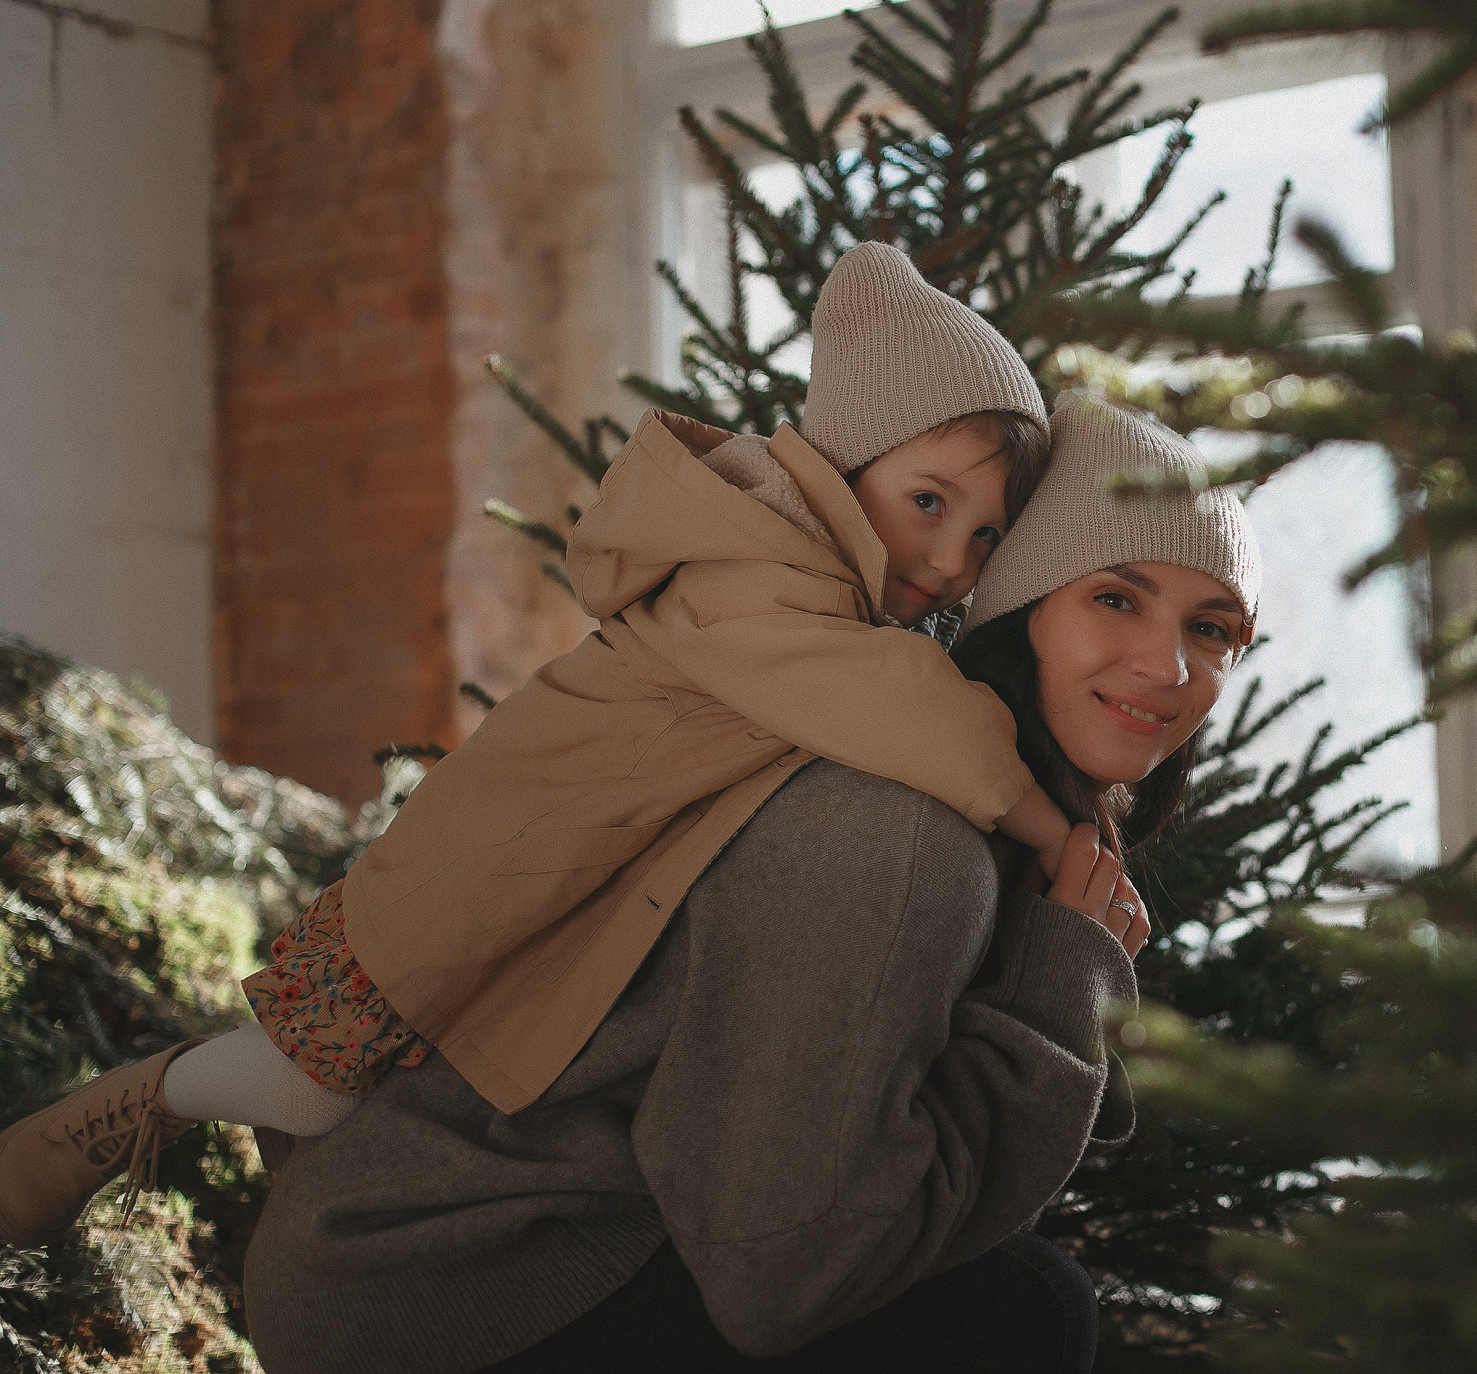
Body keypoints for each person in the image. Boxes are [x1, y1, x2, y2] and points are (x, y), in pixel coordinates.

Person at [0, 243, 1085, 1249]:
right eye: (928, 502)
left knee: (336, 1128)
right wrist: (1052, 830)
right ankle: (131, 1101)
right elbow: (905, 704)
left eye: (985, 532)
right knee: (312, 1095)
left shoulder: (800, 579)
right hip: (468, 881)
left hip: (526, 884)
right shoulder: (768, 585)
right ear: (841, 466)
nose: (951, 557)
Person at [238, 397, 1261, 1374]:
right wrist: (1057, 993)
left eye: (1211, 628)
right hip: (434, 1287)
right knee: (1020, 1310)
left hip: (543, 1247)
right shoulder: (900, 832)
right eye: (1115, 597)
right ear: (1023, 608)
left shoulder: (992, 823)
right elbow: (779, 1275)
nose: (1167, 666)